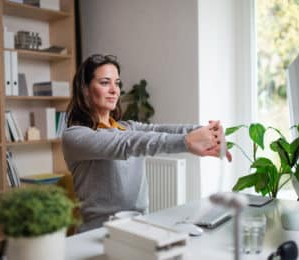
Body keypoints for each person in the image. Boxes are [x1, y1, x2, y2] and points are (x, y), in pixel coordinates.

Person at [62, 54, 232, 232]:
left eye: (117, 83)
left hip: (139, 225)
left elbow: (162, 130)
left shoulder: (128, 127)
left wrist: (206, 131)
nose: (114, 90)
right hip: (98, 231)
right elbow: (128, 143)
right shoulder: (75, 136)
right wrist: (186, 142)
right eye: (105, 82)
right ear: (86, 89)